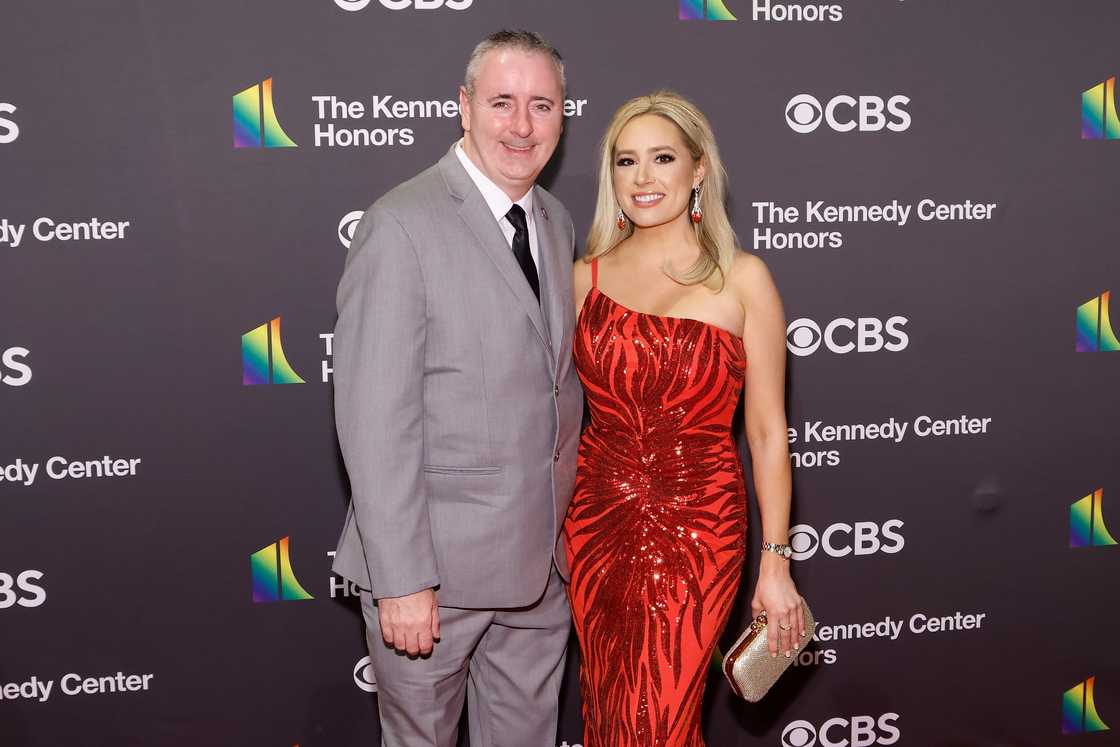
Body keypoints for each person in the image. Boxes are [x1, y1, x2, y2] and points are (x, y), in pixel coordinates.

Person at [330, 30, 582, 747]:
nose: (522, 125)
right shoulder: (400, 225)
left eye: (542, 104)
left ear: (564, 115)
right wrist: (402, 578)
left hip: (538, 574)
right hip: (432, 581)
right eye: (502, 102)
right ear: (463, 107)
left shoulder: (556, 222)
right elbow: (376, 421)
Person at [563, 91, 805, 746]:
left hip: (700, 532)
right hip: (594, 528)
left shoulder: (743, 279)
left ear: (698, 170)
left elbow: (765, 433)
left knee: (659, 717)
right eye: (626, 161)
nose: (642, 178)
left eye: (662, 158)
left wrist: (776, 562)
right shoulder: (582, 279)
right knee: (611, 711)